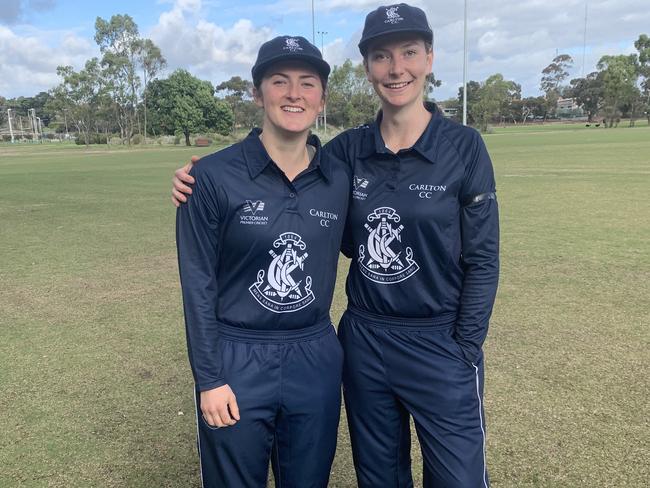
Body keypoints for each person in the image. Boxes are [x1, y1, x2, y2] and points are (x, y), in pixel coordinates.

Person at [173, 4, 499, 487]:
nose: (396, 68)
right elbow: (292, 203)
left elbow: (483, 256)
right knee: (379, 477)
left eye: (409, 52)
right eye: (382, 56)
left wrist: (466, 346)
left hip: (438, 341)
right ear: (367, 68)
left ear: (429, 57)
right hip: (364, 340)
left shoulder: (464, 146)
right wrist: (198, 179)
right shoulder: (344, 153)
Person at [176, 35, 350, 488]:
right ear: (257, 93)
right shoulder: (210, 177)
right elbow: (198, 285)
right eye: (279, 81)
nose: (294, 94)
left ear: (322, 96)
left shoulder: (339, 177)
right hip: (237, 358)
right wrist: (209, 378)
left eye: (307, 83)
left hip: (314, 354)